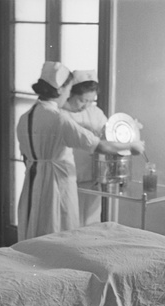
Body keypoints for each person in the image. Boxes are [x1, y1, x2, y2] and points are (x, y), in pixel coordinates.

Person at [17, 61, 145, 241]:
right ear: (62, 90)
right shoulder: (59, 119)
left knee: (37, 229)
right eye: (69, 90)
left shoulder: (25, 117)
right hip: (59, 182)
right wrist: (131, 147)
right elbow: (97, 145)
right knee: (61, 230)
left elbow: (24, 155)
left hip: (35, 180)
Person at [62, 70, 107, 226]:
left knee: (91, 222)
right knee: (69, 222)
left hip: (92, 178)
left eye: (90, 101)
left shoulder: (95, 112)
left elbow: (106, 136)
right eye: (82, 100)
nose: (86, 106)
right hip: (69, 178)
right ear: (70, 94)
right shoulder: (61, 115)